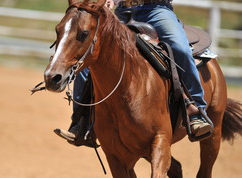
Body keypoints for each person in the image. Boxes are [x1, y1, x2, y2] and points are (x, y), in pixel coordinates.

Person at [55, 0, 212, 147]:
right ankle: (81, 120)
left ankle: (196, 111)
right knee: (88, 56)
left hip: (156, 10)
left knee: (180, 49)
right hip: (122, 11)